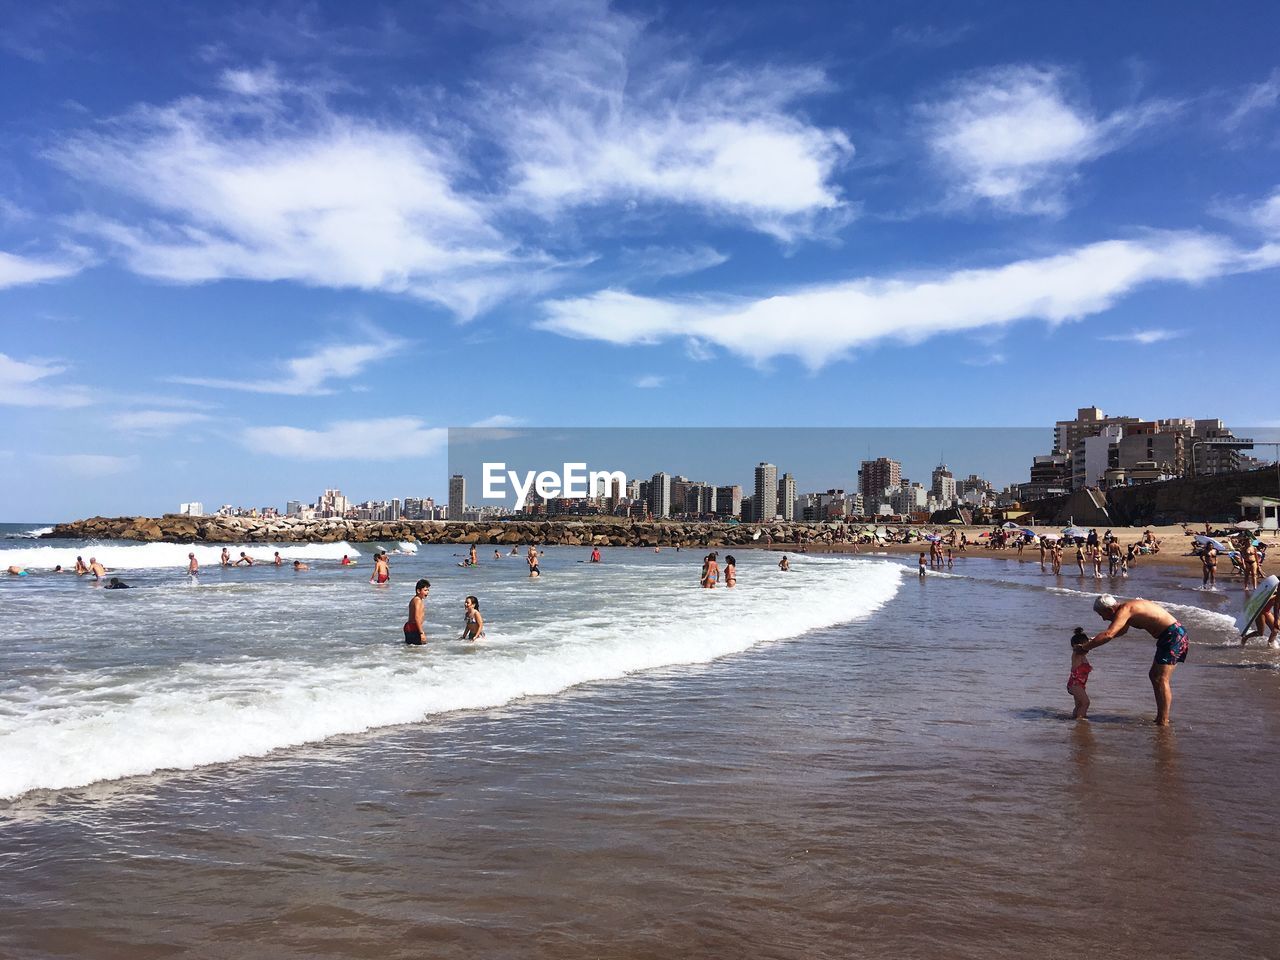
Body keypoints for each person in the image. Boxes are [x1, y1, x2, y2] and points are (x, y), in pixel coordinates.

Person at [1079, 594, 1187, 726]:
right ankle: (1161, 718)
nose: (1103, 619)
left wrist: (1085, 648)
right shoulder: (1125, 609)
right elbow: (1120, 631)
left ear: (1110, 610)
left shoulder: (1126, 609)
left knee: (1161, 678)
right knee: (1155, 676)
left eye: (1102, 615)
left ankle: (1163, 721)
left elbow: (1109, 634)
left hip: (1173, 635)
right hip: (1171, 635)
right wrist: (1093, 640)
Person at [1067, 627, 1093, 720]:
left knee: (1079, 704)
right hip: (1075, 685)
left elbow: (1085, 646)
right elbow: (1077, 648)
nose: (1089, 648)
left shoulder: (1083, 656)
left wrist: (1092, 640)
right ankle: (1081, 721)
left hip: (1080, 685)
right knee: (1086, 702)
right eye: (1087, 646)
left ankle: (1075, 718)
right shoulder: (1076, 655)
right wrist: (1085, 644)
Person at [404, 579, 430, 645]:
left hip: (410, 627)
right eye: (425, 590)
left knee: (413, 649)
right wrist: (421, 633)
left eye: (428, 590)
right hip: (413, 628)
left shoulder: (415, 599)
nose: (427, 592)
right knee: (419, 648)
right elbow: (417, 617)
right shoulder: (418, 600)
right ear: (418, 591)